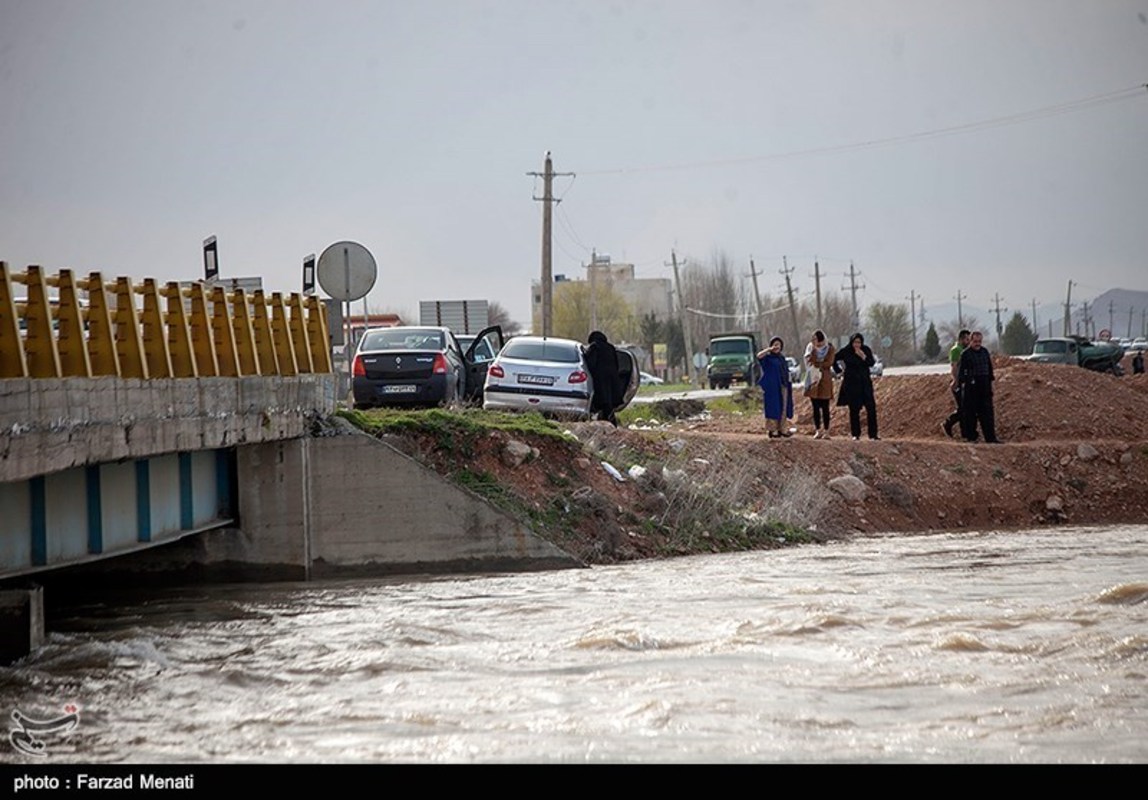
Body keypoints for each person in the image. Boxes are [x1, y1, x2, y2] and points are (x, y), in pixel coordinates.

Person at [957, 330, 1001, 443]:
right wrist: (967, 381)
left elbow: (990, 370)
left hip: (985, 387)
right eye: (975, 341)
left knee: (987, 414)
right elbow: (961, 374)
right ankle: (972, 437)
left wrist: (990, 384)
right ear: (971, 341)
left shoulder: (985, 352)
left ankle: (991, 438)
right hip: (971, 389)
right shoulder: (965, 354)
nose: (977, 344)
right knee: (970, 415)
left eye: (979, 341)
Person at [835, 332, 879, 440]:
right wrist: (838, 371)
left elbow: (871, 363)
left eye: (859, 342)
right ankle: (855, 434)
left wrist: (863, 356)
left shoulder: (866, 350)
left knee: (871, 408)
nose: (857, 345)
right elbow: (834, 358)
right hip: (851, 384)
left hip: (864, 382)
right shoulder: (846, 351)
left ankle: (873, 434)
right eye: (855, 342)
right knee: (854, 409)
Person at [756, 336, 794, 438]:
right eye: (775, 344)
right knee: (773, 407)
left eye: (779, 345)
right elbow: (758, 356)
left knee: (783, 407)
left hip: (783, 385)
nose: (777, 347)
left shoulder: (782, 358)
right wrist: (769, 349)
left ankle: (782, 428)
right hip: (772, 387)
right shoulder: (768, 358)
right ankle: (772, 430)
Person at [584, 330, 623, 426]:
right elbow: (617, 364)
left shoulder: (595, 347)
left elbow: (590, 363)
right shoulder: (611, 348)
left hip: (600, 379)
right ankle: (610, 422)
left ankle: (610, 423)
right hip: (613, 379)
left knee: (603, 402)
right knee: (608, 402)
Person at [803, 330, 836, 439]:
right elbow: (809, 360)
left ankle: (827, 431)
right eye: (812, 339)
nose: (813, 341)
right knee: (815, 406)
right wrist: (814, 355)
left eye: (815, 339)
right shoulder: (810, 348)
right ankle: (818, 430)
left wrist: (818, 364)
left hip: (825, 378)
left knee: (825, 406)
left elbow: (829, 363)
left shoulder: (829, 348)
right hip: (813, 378)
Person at [942, 329, 971, 438]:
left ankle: (965, 434)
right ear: (961, 339)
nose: (968, 341)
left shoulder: (965, 350)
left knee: (966, 409)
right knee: (963, 408)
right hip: (958, 383)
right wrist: (955, 381)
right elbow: (954, 367)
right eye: (967, 339)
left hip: (965, 382)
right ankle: (948, 423)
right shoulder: (956, 350)